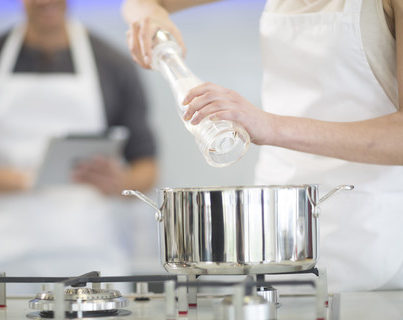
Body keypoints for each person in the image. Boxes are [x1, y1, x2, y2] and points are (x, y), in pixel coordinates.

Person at [122, 0, 403, 293]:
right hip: (274, 228)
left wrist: (271, 127)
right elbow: (139, 3)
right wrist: (151, 19)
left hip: (371, 226)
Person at [0, 0, 157, 291]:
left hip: (91, 260)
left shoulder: (114, 64)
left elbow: (147, 167)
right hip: (1, 264)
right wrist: (31, 177)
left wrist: (120, 182)